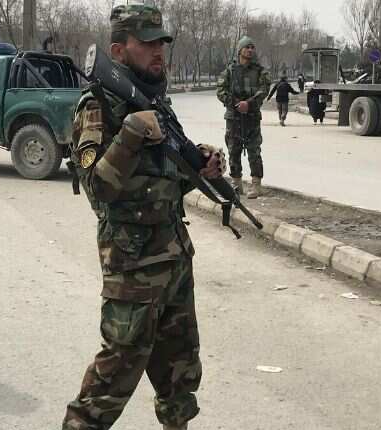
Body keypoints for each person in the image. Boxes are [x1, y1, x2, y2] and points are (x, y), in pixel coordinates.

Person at [62, 4, 225, 430]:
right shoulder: (96, 107)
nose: (159, 51)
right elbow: (99, 189)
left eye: (161, 43)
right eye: (147, 43)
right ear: (118, 50)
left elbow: (164, 180)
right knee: (110, 382)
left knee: (180, 377)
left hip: (173, 263)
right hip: (132, 271)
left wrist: (200, 165)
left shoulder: (157, 102)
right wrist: (132, 133)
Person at [216, 36, 272, 199]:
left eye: (252, 47)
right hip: (233, 118)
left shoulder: (260, 71)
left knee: (254, 150)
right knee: (234, 150)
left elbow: (264, 89)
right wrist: (235, 104)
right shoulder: (229, 71)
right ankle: (236, 184)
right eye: (247, 47)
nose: (250, 50)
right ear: (240, 50)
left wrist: (249, 104)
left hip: (252, 117)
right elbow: (220, 90)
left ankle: (256, 185)